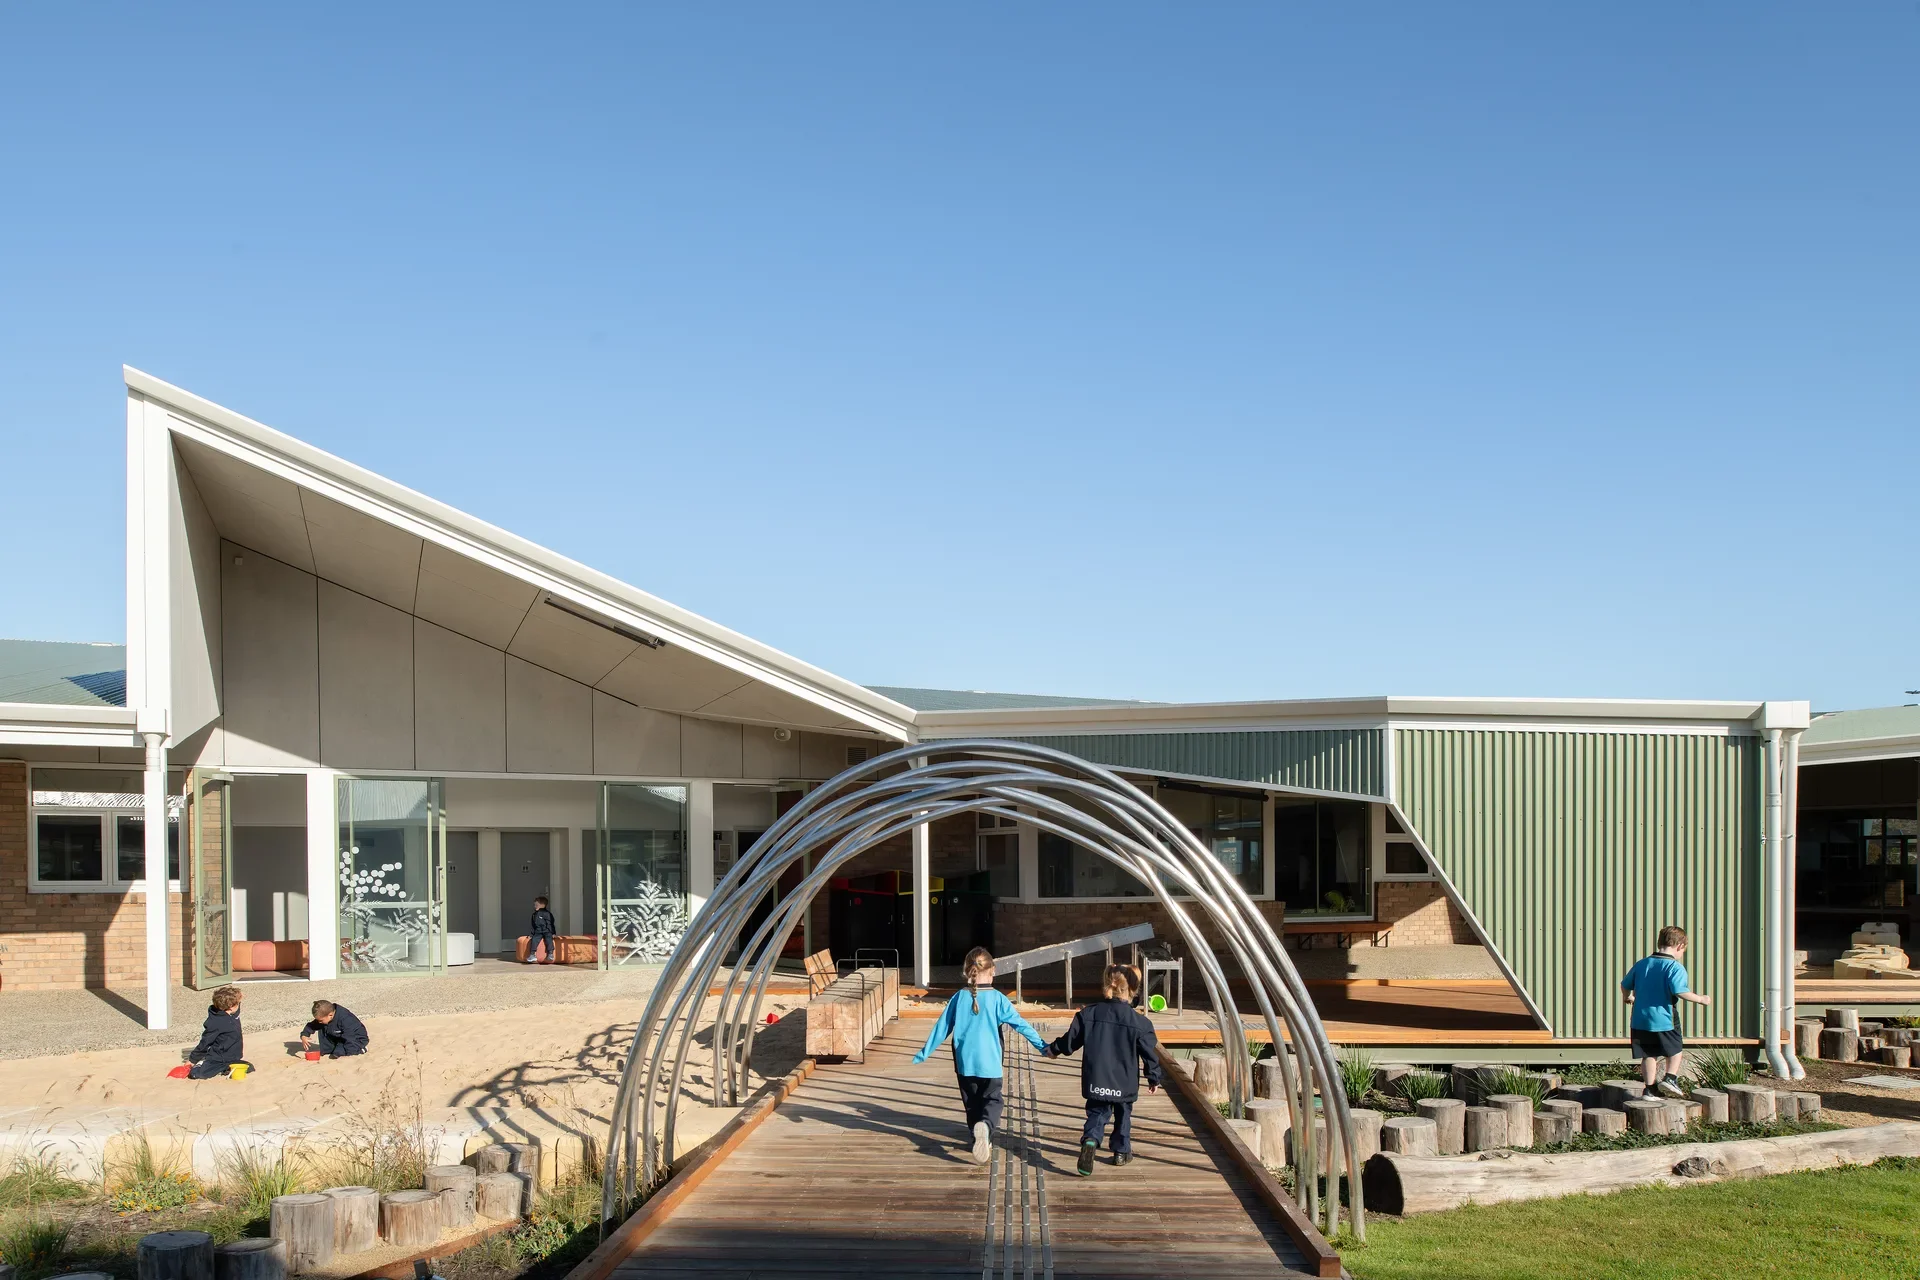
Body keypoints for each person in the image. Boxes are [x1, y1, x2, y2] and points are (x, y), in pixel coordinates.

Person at [913, 947, 1050, 1164]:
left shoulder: (959, 997)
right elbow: (1021, 1025)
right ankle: (985, 1127)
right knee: (993, 1100)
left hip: (965, 1064)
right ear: (992, 971)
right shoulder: (998, 999)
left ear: (967, 971)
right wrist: (1043, 1047)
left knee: (972, 1103)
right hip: (990, 1064)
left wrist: (923, 1053)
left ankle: (976, 1135)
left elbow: (942, 1028)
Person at [1048, 963, 1163, 1177]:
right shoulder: (1141, 1023)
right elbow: (1149, 1054)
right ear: (1134, 990)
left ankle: (1091, 1140)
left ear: (1107, 985)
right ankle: (1121, 1152)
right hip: (1124, 1082)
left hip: (1097, 1079)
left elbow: (1071, 1041)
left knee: (1097, 1113)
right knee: (1123, 1115)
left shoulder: (1089, 1014)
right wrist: (1153, 1077)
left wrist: (1054, 1049)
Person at [1621, 925, 1712, 1098]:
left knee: (1648, 1054)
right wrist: (1701, 999)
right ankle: (1670, 1078)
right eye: (1683, 950)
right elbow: (1680, 991)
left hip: (1640, 1019)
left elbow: (1625, 984)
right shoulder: (1674, 967)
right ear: (1680, 946)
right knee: (1676, 1048)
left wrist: (1628, 997)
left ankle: (1650, 1089)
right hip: (1664, 1018)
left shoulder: (1642, 964)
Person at [186, 985, 249, 1079]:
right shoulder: (216, 1022)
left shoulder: (233, 1014)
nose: (239, 1004)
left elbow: (235, 1004)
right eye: (238, 1003)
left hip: (233, 1057)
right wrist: (192, 1060)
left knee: (249, 1068)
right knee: (197, 1074)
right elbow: (205, 1042)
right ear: (231, 1007)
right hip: (218, 1058)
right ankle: (200, 1064)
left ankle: (226, 1068)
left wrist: (238, 996)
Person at [301, 999, 370, 1058]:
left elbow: (350, 1038)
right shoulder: (326, 1016)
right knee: (322, 1026)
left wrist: (350, 1053)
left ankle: (361, 1050)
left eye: (321, 1020)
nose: (319, 1022)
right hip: (339, 1037)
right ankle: (330, 1049)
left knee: (339, 1052)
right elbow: (311, 1025)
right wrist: (304, 1035)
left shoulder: (346, 1019)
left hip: (356, 1038)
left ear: (330, 1015)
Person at [527, 896, 558, 965]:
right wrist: (531, 934)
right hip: (538, 931)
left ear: (543, 905)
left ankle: (550, 954)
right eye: (534, 905)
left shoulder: (547, 914)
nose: (535, 906)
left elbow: (550, 924)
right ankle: (532, 954)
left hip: (547, 931)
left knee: (549, 939)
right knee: (534, 939)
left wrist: (553, 933)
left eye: (536, 905)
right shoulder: (534, 915)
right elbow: (533, 926)